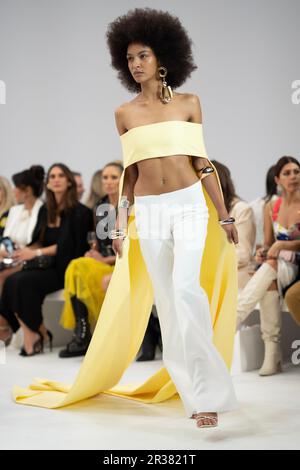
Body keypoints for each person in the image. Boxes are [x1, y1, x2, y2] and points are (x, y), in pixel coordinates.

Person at [13, 9, 239, 430]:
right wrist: (119, 225)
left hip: (190, 204)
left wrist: (224, 216)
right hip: (149, 213)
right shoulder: (123, 113)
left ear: (163, 57)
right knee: (168, 305)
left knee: (189, 291)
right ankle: (195, 398)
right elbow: (130, 175)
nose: (136, 64)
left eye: (144, 55)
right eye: (130, 57)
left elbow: (202, 163)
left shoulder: (190, 103)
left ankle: (212, 392)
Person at [0, 163, 93, 355]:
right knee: (11, 281)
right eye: (52, 176)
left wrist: (36, 253)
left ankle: (36, 334)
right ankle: (33, 333)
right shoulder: (47, 211)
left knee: (23, 282)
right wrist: (26, 251)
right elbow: (39, 240)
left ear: (69, 182)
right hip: (48, 265)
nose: (56, 179)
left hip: (67, 266)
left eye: (60, 176)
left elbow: (68, 247)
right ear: (47, 183)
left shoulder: (80, 212)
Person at [237, 156, 300, 376]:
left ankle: (236, 315)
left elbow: (283, 244)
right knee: (270, 279)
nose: (293, 176)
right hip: (279, 266)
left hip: (297, 264)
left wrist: (284, 244)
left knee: (271, 268)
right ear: (277, 179)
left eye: (296, 171)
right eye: (287, 173)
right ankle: (272, 354)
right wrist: (263, 252)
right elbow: (268, 243)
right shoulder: (271, 206)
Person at [59, 162, 123, 358]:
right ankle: (83, 332)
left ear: (123, 179)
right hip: (105, 262)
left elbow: (134, 248)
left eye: (114, 177)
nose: (109, 182)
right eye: (105, 177)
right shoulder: (101, 205)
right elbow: (97, 241)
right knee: (76, 266)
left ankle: (87, 336)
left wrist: (106, 259)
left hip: (124, 264)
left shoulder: (130, 205)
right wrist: (93, 252)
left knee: (81, 270)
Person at [0, 166, 45, 296]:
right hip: (10, 256)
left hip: (28, 258)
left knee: (1, 277)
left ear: (27, 191)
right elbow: (6, 238)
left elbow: (34, 240)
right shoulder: (15, 211)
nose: (13, 191)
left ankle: (4, 314)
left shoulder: (42, 210)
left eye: (16, 188)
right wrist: (4, 252)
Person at [212, 160, 256, 290]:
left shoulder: (241, 209)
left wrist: (210, 264)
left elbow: (242, 255)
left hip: (234, 275)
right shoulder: (201, 211)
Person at [250, 165, 278, 251]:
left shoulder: (253, 205)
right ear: (277, 180)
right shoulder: (276, 203)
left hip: (257, 254)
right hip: (273, 254)